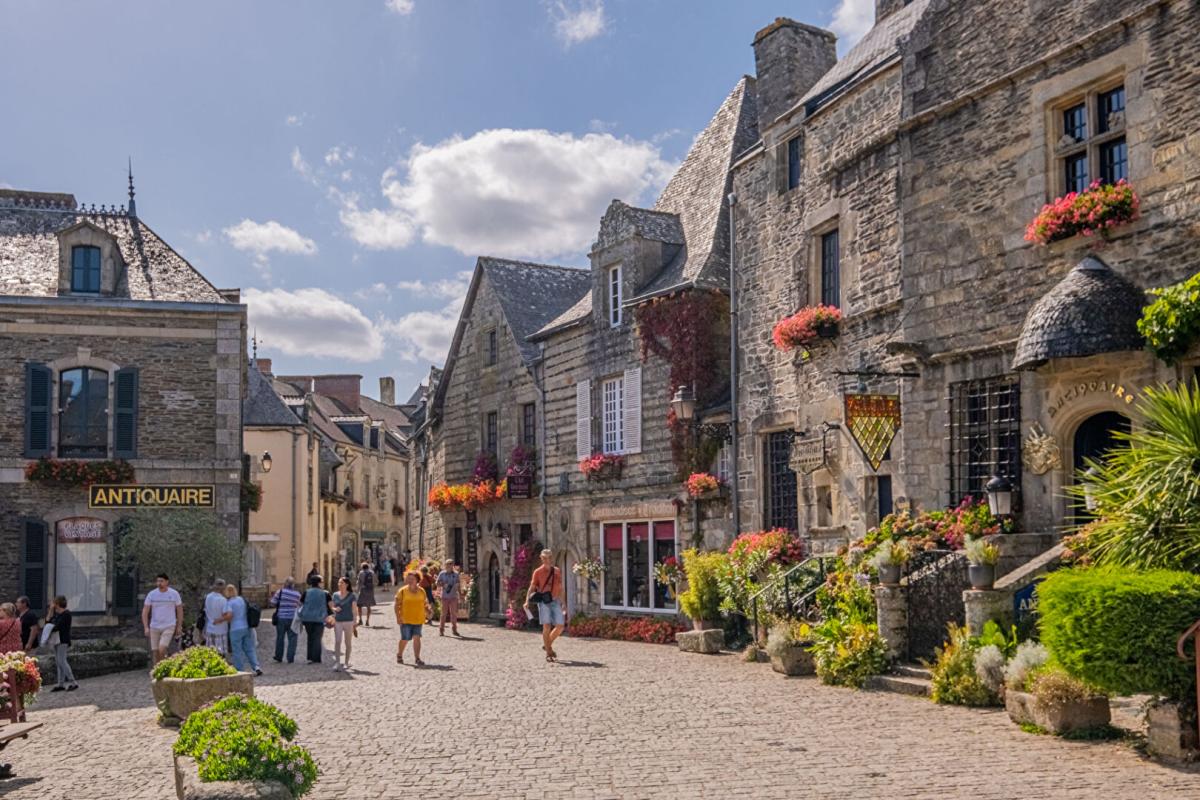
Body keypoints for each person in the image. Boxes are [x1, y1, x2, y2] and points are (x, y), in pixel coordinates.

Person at [525, 549, 565, 663]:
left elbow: (560, 588)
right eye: (545, 558)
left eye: (549, 558)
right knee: (546, 626)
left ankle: (547, 644)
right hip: (543, 602)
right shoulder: (537, 572)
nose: (547, 560)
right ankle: (548, 652)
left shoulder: (557, 571)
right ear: (541, 559)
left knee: (560, 626)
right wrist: (527, 600)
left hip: (555, 600)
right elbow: (532, 587)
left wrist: (564, 603)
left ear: (552, 558)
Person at [142, 573, 183, 664]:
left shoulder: (174, 594)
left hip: (169, 625)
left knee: (162, 648)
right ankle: (157, 672)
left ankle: (162, 666)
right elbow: (145, 611)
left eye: (161, 581)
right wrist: (146, 627)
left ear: (167, 582)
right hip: (155, 626)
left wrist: (179, 626)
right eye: (158, 581)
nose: (159, 583)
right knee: (155, 652)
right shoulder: (152, 594)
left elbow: (179, 610)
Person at [394, 571, 430, 666]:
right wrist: (398, 617)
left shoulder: (422, 591)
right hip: (405, 619)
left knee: (417, 638)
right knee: (405, 639)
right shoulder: (402, 591)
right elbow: (397, 605)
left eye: (412, 579)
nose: (409, 581)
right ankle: (399, 654)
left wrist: (428, 610)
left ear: (417, 580)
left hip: (418, 619)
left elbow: (425, 603)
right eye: (408, 579)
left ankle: (417, 658)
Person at [225, 584, 262, 675]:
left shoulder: (229, 603)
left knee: (237, 650)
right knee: (250, 648)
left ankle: (239, 669)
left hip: (235, 628)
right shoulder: (242, 600)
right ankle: (256, 666)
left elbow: (230, 616)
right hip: (246, 627)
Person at [298, 574, 332, 664]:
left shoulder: (306, 592)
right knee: (317, 637)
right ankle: (316, 658)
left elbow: (300, 604)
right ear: (318, 583)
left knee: (310, 637)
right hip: (320, 618)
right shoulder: (325, 593)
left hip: (307, 618)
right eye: (321, 582)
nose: (322, 583)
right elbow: (331, 605)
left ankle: (310, 656)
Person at [46, 596, 78, 691]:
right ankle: (61, 683)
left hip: (63, 640)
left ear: (57, 603)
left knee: (62, 661)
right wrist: (50, 612)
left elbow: (56, 627)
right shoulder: (56, 615)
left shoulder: (66, 614)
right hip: (56, 640)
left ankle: (73, 682)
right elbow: (47, 622)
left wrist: (50, 626)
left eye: (53, 603)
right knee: (58, 662)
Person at [268, 577, 302, 663]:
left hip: (281, 618)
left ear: (285, 584)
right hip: (293, 618)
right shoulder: (297, 594)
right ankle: (290, 658)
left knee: (280, 637)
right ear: (293, 585)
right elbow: (300, 605)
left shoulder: (280, 592)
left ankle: (279, 656)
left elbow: (272, 603)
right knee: (292, 638)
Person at [330, 577, 358, 671]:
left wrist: (355, 621)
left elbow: (354, 609)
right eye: (339, 583)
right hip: (338, 621)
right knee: (337, 641)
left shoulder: (351, 596)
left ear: (346, 584)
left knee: (347, 642)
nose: (339, 584)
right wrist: (335, 609)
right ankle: (337, 663)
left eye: (341, 583)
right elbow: (332, 606)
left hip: (348, 621)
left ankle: (346, 662)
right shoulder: (335, 595)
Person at [203, 579, 232, 655]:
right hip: (220, 630)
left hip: (209, 628)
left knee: (210, 653)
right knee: (220, 653)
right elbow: (228, 615)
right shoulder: (222, 600)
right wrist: (219, 620)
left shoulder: (208, 597)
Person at [436, 559, 460, 637]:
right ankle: (441, 630)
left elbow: (458, 583)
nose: (449, 565)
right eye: (447, 564)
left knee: (454, 614)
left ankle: (454, 630)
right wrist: (443, 584)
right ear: (445, 565)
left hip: (453, 596)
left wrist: (458, 588)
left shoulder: (456, 574)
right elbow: (437, 583)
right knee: (443, 614)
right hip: (445, 597)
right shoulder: (442, 574)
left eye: (450, 564)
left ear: (452, 565)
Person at [356, 562, 376, 626]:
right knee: (368, 606)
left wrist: (357, 590)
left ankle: (360, 620)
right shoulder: (372, 573)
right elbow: (375, 582)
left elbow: (359, 582)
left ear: (362, 567)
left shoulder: (361, 573)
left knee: (359, 605)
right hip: (370, 590)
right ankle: (367, 621)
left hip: (363, 590)